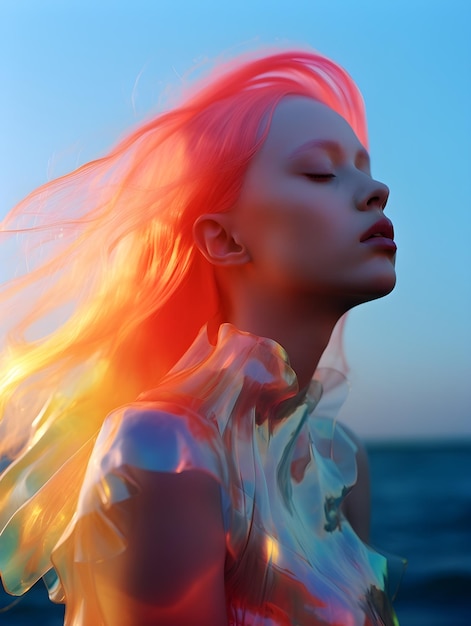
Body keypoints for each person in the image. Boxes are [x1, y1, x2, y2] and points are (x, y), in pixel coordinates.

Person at [0, 49, 400, 625]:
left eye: (365, 169)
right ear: (224, 239)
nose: (376, 189)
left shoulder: (337, 464)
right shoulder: (163, 449)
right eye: (320, 171)